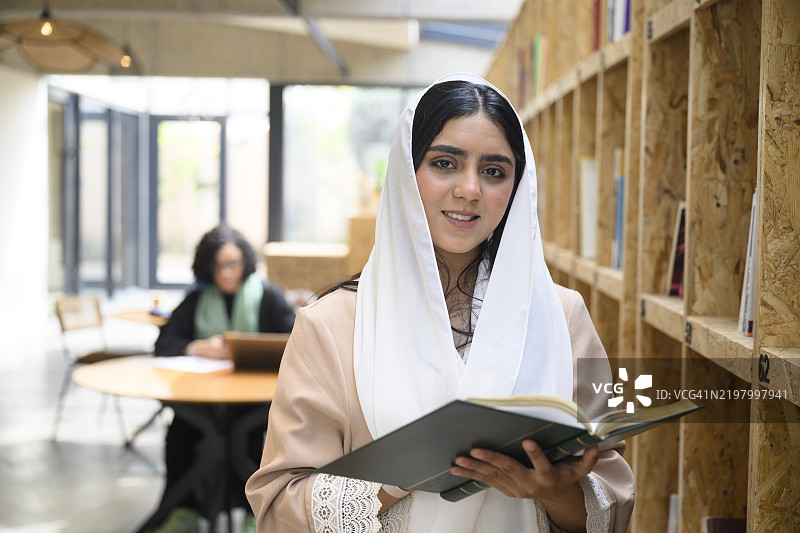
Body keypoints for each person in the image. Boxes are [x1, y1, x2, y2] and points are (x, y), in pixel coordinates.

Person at [245, 74, 635, 533]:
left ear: (515, 190)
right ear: (405, 174)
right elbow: (277, 504)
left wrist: (554, 489)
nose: (469, 189)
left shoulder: (564, 317)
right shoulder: (331, 325)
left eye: (494, 171)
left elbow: (613, 503)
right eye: (445, 163)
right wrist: (403, 474)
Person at [153, 223, 296, 533]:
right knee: (179, 432)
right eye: (216, 266)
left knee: (257, 437)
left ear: (245, 261)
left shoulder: (268, 296)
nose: (225, 273)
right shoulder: (196, 301)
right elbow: (163, 344)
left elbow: (296, 341)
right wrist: (197, 347)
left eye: (232, 264)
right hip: (204, 403)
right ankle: (184, 512)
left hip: (257, 404)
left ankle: (254, 514)